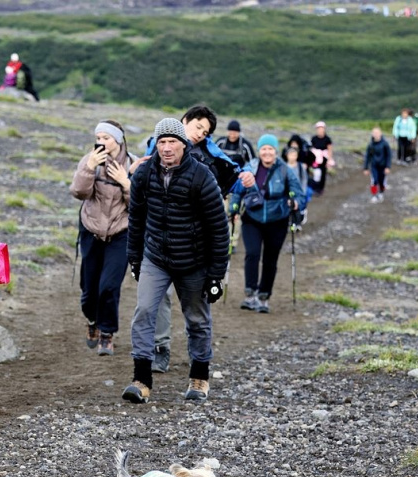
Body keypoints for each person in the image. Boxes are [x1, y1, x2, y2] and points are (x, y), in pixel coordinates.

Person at [123, 118, 230, 404]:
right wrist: (134, 258)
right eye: (162, 142)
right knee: (144, 311)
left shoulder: (201, 176)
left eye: (172, 142)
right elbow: (136, 220)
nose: (167, 148)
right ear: (155, 144)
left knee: (197, 319)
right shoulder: (144, 174)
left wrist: (216, 274)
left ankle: (199, 378)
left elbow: (219, 228)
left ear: (183, 144)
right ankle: (141, 380)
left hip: (194, 260)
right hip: (156, 256)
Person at [143, 105, 240, 373]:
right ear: (184, 121)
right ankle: (159, 350)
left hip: (194, 247)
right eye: (198, 127)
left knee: (196, 311)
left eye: (205, 132)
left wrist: (243, 179)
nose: (200, 134)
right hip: (158, 241)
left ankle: (199, 367)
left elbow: (232, 177)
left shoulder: (209, 155)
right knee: (155, 301)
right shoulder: (155, 146)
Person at [69, 120, 136, 356]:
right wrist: (88, 167)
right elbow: (78, 192)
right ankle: (91, 320)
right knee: (88, 290)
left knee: (109, 286)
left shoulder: (132, 164)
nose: (101, 142)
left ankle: (107, 333)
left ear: (118, 140)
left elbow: (140, 206)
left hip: (120, 233)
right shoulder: (91, 161)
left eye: (106, 138)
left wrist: (126, 183)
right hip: (91, 230)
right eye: (98, 137)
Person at [228, 134, 306, 314]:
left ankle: (264, 296)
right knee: (252, 254)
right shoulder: (251, 167)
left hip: (277, 220)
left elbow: (299, 194)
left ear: (276, 151)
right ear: (259, 150)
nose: (267, 152)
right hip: (252, 218)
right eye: (264, 148)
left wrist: (294, 203)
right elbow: (239, 189)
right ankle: (250, 294)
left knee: (270, 259)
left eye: (270, 149)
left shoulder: (285, 170)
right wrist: (234, 204)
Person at [363, 127, 392, 203]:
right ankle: (374, 195)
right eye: (374, 133)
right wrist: (366, 168)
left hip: (383, 166)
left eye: (377, 133)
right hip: (374, 166)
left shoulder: (385, 144)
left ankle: (381, 193)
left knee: (382, 181)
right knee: (374, 181)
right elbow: (368, 156)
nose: (375, 135)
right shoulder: (370, 145)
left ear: (380, 134)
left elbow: (389, 155)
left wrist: (388, 167)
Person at [308, 121, 334, 196]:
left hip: (324, 159)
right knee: (316, 172)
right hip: (315, 159)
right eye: (318, 128)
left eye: (321, 128)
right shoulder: (314, 138)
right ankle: (314, 187)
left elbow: (329, 149)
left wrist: (329, 159)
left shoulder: (327, 139)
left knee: (323, 174)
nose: (320, 130)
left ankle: (320, 189)